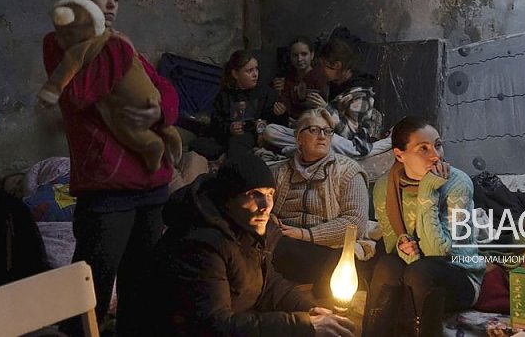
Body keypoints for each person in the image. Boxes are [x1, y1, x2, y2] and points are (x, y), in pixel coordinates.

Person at [42, 0, 178, 336]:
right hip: (107, 188)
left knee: (142, 285)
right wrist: (117, 47)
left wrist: (159, 112)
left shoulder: (118, 44)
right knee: (91, 288)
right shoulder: (60, 44)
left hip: (152, 184)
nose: (112, 4)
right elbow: (82, 93)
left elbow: (164, 87)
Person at [151, 152, 356, 337]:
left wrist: (310, 310)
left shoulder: (246, 228)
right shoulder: (201, 244)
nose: (266, 206)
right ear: (228, 198)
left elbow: (265, 283)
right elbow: (214, 325)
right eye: (254, 194)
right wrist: (302, 325)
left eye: (270, 194)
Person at [364, 116, 485, 337]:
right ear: (399, 155)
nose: (435, 155)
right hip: (410, 270)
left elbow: (438, 250)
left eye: (438, 145)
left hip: (458, 274)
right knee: (386, 265)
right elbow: (392, 245)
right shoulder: (384, 187)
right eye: (423, 149)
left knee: (420, 272)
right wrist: (403, 245)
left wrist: (427, 191)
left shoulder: (457, 183)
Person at [270, 108, 377, 298]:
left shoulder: (348, 171)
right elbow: (262, 207)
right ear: (298, 138)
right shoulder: (281, 172)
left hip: (329, 247)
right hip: (284, 241)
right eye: (314, 130)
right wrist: (270, 218)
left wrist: (304, 234)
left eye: (327, 131)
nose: (322, 136)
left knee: (338, 265)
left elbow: (355, 223)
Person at [264, 38, 389, 158]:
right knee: (270, 131)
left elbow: (350, 133)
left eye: (324, 65)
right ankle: (305, 148)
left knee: (325, 140)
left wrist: (326, 108)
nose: (321, 70)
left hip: (349, 142)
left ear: (337, 65)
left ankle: (301, 149)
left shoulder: (361, 93)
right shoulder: (332, 82)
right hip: (322, 133)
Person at [191, 49, 281, 159]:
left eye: (256, 69)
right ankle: (229, 154)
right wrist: (229, 128)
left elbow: (275, 123)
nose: (255, 74)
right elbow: (216, 123)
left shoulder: (265, 92)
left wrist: (279, 114)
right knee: (197, 144)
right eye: (249, 71)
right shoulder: (225, 95)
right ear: (235, 74)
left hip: (253, 137)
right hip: (227, 138)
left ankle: (235, 155)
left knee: (237, 144)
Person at [272, 36, 329, 123]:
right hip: (292, 122)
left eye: (304, 54)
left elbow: (325, 105)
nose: (299, 59)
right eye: (295, 55)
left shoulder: (320, 76)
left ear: (312, 55)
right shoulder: (289, 77)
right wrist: (280, 108)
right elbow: (285, 104)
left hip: (315, 122)